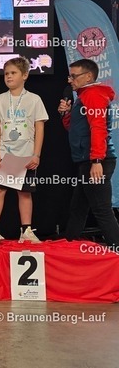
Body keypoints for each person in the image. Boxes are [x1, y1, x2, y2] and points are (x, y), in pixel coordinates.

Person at [0, 56, 49, 244]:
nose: (9, 76)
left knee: (25, 192)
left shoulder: (34, 99)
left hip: (26, 155)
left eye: (13, 73)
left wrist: (36, 154)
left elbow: (39, 127)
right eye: (6, 73)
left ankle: (26, 231)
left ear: (25, 75)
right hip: (5, 153)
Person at [58, 58, 119, 246]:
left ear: (88, 77)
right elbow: (76, 130)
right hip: (88, 160)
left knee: (101, 209)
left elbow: (98, 128)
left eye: (74, 76)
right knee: (79, 207)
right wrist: (66, 114)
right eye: (70, 76)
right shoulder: (84, 96)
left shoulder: (93, 95)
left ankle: (116, 248)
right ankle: (70, 244)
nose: (70, 80)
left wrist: (97, 161)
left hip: (96, 161)